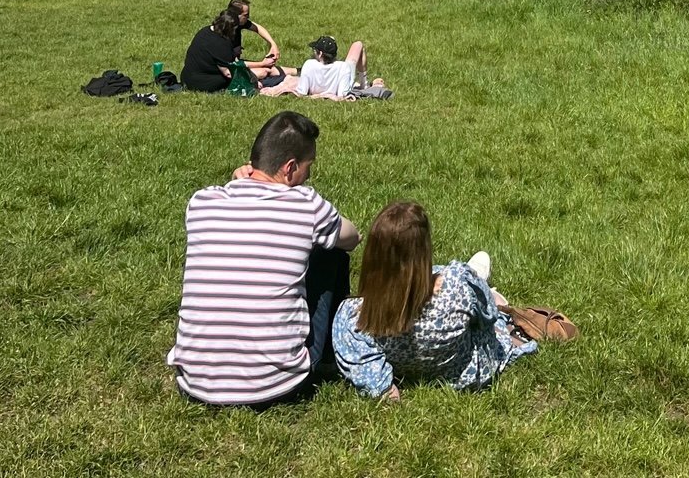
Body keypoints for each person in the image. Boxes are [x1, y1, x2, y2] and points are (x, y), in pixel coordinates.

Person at [167, 111, 361, 406]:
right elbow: (352, 237)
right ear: (290, 167)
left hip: (194, 382)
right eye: (309, 167)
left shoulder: (201, 202)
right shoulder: (306, 204)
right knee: (331, 251)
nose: (308, 176)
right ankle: (335, 356)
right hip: (278, 383)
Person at [332, 201, 536, 401]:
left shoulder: (353, 317)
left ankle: (480, 280)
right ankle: (485, 284)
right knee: (483, 295)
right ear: (424, 250)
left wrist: (388, 388)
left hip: (407, 369)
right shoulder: (457, 287)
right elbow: (488, 316)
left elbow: (370, 375)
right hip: (466, 373)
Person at [181, 8, 297, 95]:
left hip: (187, 77)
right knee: (262, 73)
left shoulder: (205, 31)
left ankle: (298, 71)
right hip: (202, 83)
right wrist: (252, 81)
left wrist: (261, 63)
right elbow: (228, 72)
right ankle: (297, 74)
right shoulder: (220, 43)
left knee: (263, 70)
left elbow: (232, 63)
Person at [226, 0, 295, 83]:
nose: (248, 17)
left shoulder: (239, 23)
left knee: (269, 68)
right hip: (228, 70)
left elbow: (258, 28)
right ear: (235, 15)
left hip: (237, 64)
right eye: (246, 15)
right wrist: (262, 64)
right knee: (265, 71)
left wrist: (273, 44)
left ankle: (299, 71)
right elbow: (232, 64)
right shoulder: (225, 32)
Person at [296, 36, 386, 100]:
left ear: (320, 54)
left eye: (315, 51)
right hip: (340, 74)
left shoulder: (309, 64)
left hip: (323, 83)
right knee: (358, 44)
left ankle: (362, 85)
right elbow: (342, 95)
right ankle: (364, 84)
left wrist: (317, 96)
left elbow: (301, 94)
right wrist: (330, 96)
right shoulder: (343, 67)